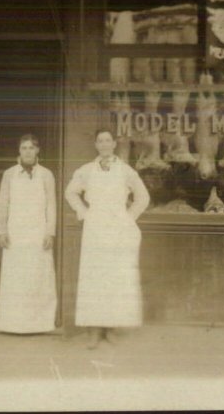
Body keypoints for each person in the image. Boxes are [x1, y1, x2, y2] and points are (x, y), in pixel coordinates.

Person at [65, 128, 150, 349]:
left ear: (114, 144)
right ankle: (94, 330)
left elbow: (143, 197)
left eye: (107, 140)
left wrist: (128, 218)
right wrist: (84, 212)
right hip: (95, 227)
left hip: (118, 228)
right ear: (96, 145)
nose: (104, 144)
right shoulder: (86, 171)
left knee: (114, 277)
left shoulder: (125, 171)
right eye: (100, 141)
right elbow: (70, 192)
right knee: (94, 277)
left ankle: (111, 328)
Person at [0, 134, 57, 334]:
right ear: (19, 151)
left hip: (38, 233)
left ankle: (39, 322)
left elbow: (51, 205)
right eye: (24, 148)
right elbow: (3, 203)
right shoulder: (9, 174)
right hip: (16, 233)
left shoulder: (46, 175)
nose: (28, 151)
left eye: (31, 148)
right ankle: (13, 322)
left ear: (38, 151)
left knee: (38, 276)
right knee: (16, 277)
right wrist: (2, 230)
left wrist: (50, 232)